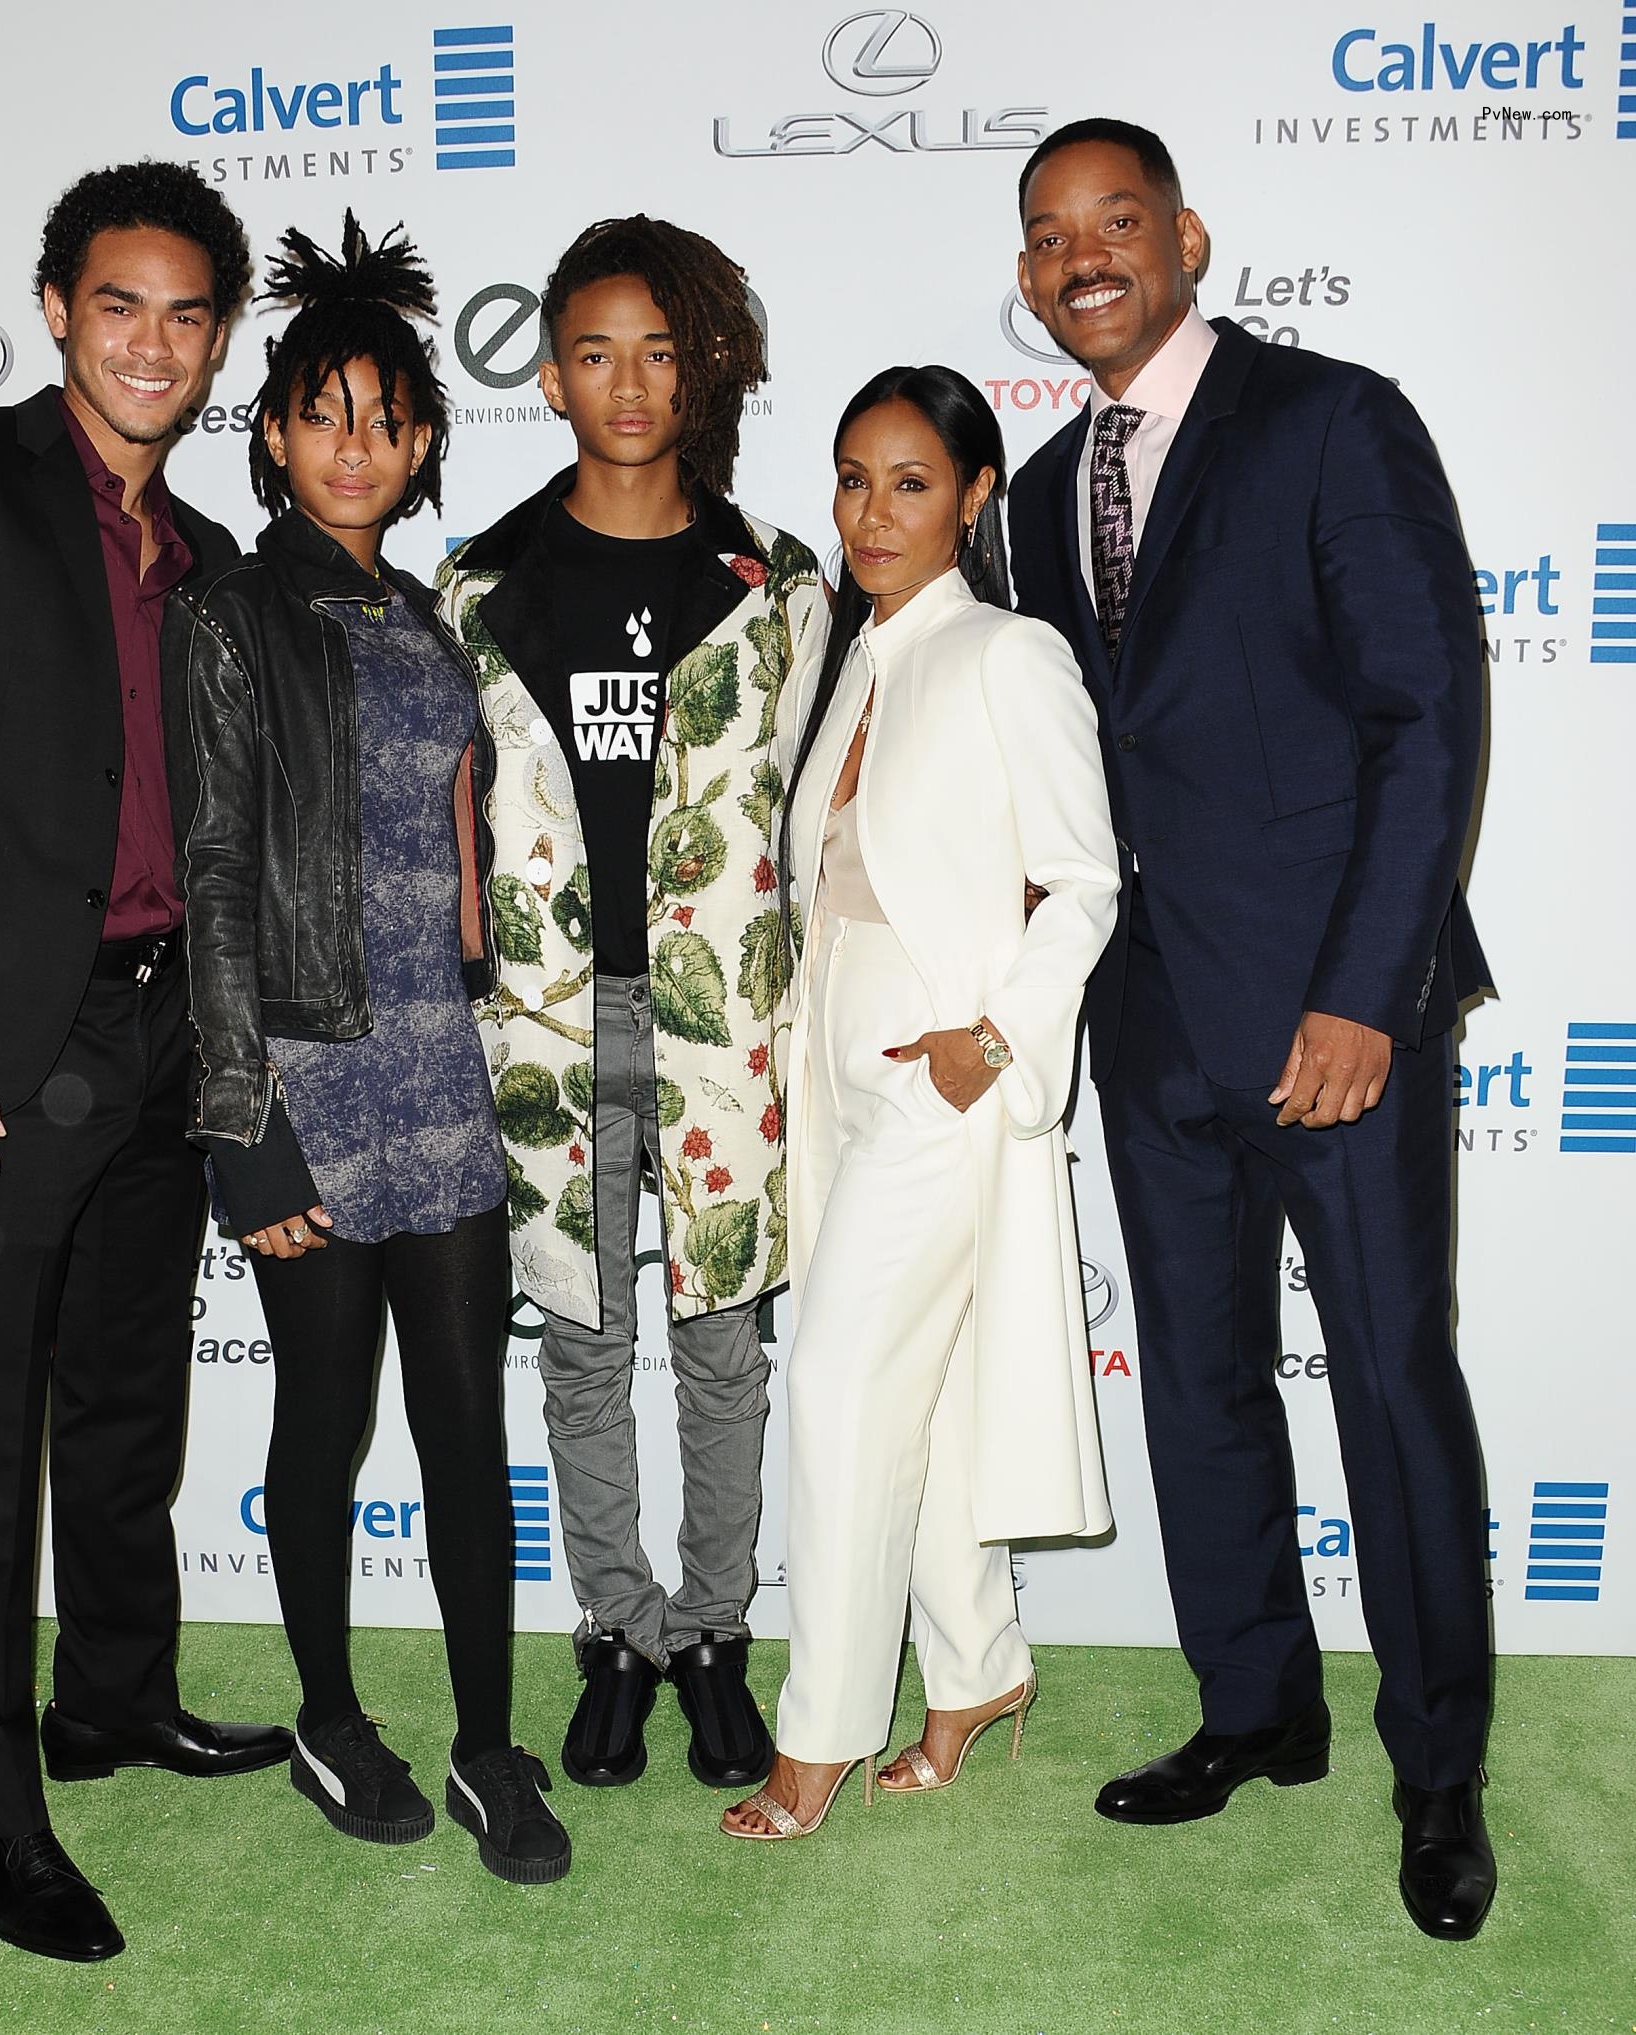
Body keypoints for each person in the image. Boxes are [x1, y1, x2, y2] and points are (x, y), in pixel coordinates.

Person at [1007, 119, 1495, 1940]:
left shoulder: (1332, 417)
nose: (1082, 259)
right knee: (1202, 1391)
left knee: (1387, 1382)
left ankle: (1435, 1768)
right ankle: (1254, 1706)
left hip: (1331, 1021)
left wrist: (1367, 992)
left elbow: (1423, 714)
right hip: (1151, 1031)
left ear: (1188, 235)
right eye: (1047, 236)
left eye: (1114, 222)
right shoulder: (1042, 490)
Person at [0, 162, 290, 1965]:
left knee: (123, 1403)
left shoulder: (210, 560)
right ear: (55, 310)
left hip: (170, 1029)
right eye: (120, 305)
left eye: (186, 314)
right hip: (10, 1040)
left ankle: (115, 1700)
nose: (152, 342)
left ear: (218, 337)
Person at [162, 214, 570, 1886]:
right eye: (321, 412)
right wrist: (243, 1135)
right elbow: (206, 881)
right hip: (308, 1090)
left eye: (385, 418)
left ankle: (487, 1745)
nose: (355, 443)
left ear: (419, 442)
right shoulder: (229, 616)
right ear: (270, 432)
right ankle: (331, 1716)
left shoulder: (429, 612)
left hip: (442, 1077)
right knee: (324, 1421)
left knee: (469, 1424)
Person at [435, 216, 823, 1792]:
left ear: (704, 364)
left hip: (724, 1016)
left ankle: (718, 1632)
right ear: (550, 373)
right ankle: (615, 1632)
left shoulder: (779, 584)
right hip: (543, 1022)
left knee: (722, 1346)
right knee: (583, 1348)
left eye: (661, 349)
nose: (631, 384)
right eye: (596, 351)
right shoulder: (482, 585)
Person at [720, 367, 1118, 1840]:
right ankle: (977, 1673)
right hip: (832, 1080)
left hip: (945, 1090)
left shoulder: (1008, 654)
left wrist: (994, 1040)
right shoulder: (852, 663)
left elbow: (1084, 882)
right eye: (852, 478)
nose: (872, 511)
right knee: (923, 1398)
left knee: (831, 1391)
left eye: (908, 480)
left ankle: (815, 1731)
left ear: (972, 496)